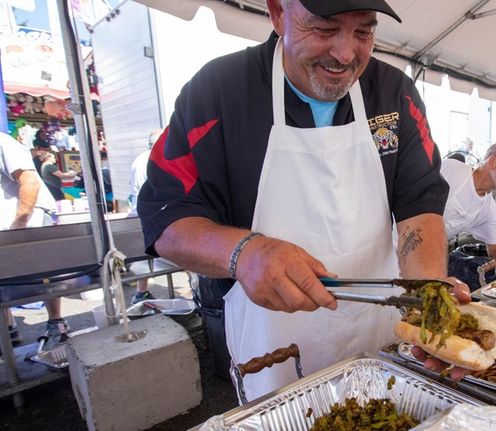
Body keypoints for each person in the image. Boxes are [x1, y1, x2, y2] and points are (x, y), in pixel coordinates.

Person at [137, 0, 469, 402]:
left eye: (363, 32)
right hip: (276, 351)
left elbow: (420, 204)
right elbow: (166, 217)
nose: (346, 54)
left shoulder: (394, 93)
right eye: (326, 29)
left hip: (382, 343)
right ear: (278, 13)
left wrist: (426, 297)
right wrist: (242, 252)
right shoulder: (217, 92)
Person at [0, 132, 68, 347]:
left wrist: (20, 221)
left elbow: (30, 181)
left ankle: (56, 322)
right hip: (10, 227)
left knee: (46, 277)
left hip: (28, 222)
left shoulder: (2, 142)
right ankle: (8, 329)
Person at [128, 130, 164, 304]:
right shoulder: (157, 158)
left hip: (138, 213)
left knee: (144, 257)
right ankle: (198, 288)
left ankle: (141, 292)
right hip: (151, 214)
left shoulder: (140, 158)